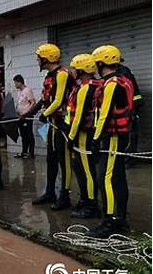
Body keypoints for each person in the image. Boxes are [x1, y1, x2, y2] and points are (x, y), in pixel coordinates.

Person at [85, 45, 135, 238]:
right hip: (116, 136)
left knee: (106, 178)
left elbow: (105, 114)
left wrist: (96, 139)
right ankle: (119, 219)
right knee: (118, 178)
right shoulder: (119, 80)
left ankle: (111, 221)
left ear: (100, 63)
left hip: (112, 137)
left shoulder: (113, 83)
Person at [27, 43, 74, 210]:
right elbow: (45, 99)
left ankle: (64, 195)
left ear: (46, 58)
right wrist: (29, 113)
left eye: (39, 57)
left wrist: (45, 114)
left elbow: (59, 100)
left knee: (64, 160)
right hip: (52, 124)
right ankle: (49, 192)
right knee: (51, 159)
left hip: (62, 124)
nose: (37, 60)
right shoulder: (49, 76)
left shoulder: (62, 74)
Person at [65, 54, 101, 219]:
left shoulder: (86, 88)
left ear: (81, 70)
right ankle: (85, 199)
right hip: (84, 135)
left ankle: (91, 205)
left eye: (74, 68)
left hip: (83, 136)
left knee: (87, 171)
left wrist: (70, 137)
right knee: (81, 170)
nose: (72, 71)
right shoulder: (88, 86)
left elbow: (79, 117)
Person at [116, 63, 143, 167]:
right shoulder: (123, 71)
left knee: (130, 135)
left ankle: (129, 160)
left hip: (131, 109)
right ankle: (128, 159)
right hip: (131, 108)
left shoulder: (123, 72)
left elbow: (127, 91)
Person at [13, 74, 36, 159]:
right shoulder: (20, 92)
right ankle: (24, 152)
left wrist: (27, 113)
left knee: (29, 134)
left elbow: (33, 102)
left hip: (27, 117)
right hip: (20, 117)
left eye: (15, 83)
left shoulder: (27, 90)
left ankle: (31, 153)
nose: (15, 85)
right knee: (23, 135)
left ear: (19, 82)